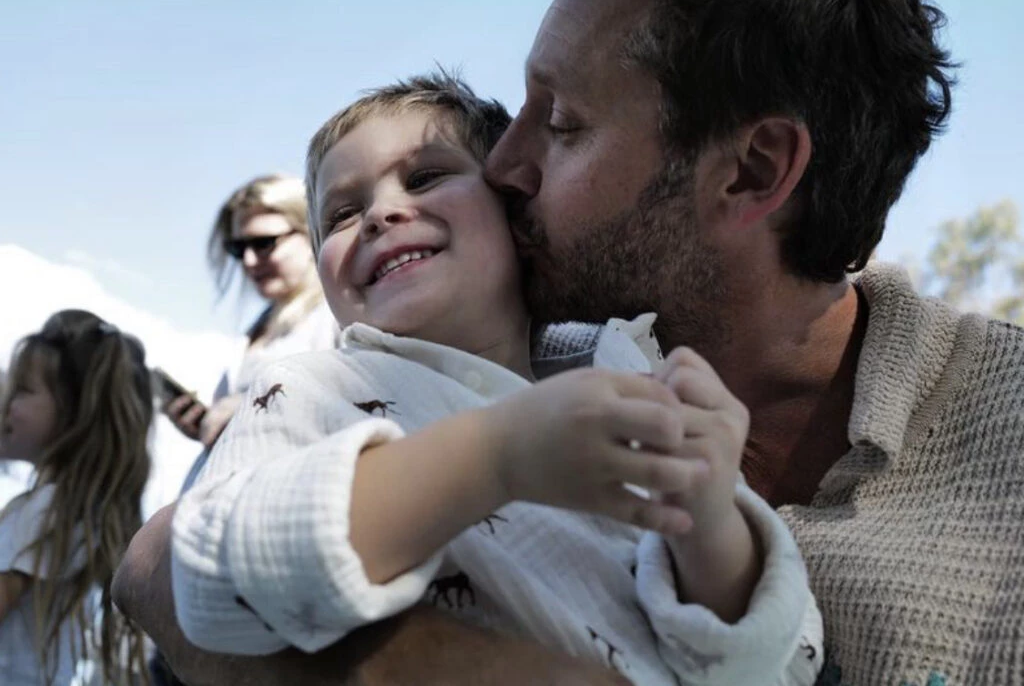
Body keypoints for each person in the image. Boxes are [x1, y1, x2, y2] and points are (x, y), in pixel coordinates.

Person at [113, 0, 1024, 686]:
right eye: (343, 212)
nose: (504, 166)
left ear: (751, 172)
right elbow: (172, 566)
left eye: (562, 124)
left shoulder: (997, 448)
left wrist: (712, 532)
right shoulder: (486, 359)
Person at [170, 73, 822, 686]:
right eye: (341, 214)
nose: (380, 214)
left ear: (516, 216)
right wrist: (495, 456)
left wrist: (708, 523)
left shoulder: (634, 375)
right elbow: (207, 582)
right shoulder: (307, 389)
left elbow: (780, 663)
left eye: (425, 178)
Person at [1, 309, 153, 686]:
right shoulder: (67, 508)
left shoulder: (49, 511)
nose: (6, 401)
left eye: (22, 390)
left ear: (74, 413)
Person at [165, 174, 339, 452]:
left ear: (310, 233)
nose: (248, 260)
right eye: (237, 248)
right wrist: (208, 426)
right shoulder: (257, 328)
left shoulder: (339, 314)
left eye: (264, 243)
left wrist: (253, 408)